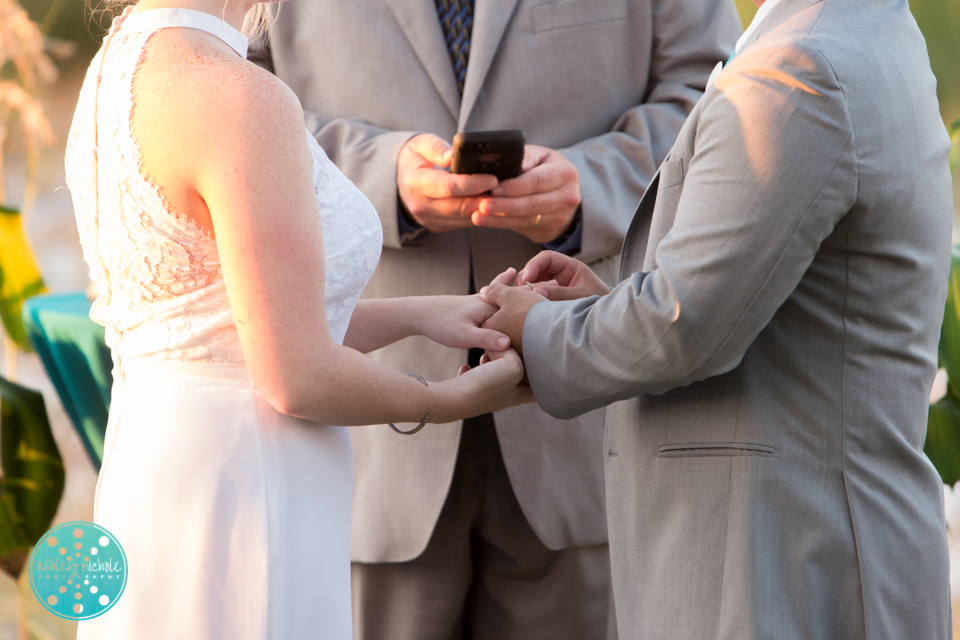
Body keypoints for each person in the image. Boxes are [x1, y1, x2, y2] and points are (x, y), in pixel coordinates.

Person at [248, 3, 741, 638]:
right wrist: (376, 177)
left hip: (580, 422)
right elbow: (231, 87)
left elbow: (714, 92)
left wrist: (593, 185)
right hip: (362, 431)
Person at [479, 0, 955, 637]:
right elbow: (768, 304)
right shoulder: (868, 25)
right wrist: (602, 305)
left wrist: (532, 330)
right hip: (807, 547)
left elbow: (682, 327)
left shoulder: (798, 68)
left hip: (778, 566)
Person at [64, 0, 532, 637]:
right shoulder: (239, 95)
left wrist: (424, 314)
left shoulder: (118, 65)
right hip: (248, 478)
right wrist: (455, 397)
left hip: (157, 464)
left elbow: (229, 327)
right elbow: (296, 376)